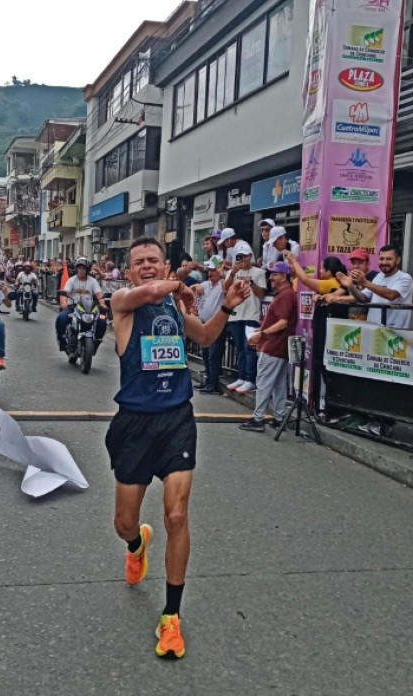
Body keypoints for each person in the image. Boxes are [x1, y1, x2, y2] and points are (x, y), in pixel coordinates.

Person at [105, 236, 250, 659]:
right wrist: (181, 280)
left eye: (154, 260)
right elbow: (152, 292)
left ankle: (171, 618)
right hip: (133, 423)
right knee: (124, 523)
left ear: (163, 263)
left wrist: (225, 306)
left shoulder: (173, 304)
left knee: (176, 513)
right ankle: (136, 546)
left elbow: (204, 338)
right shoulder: (123, 301)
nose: (147, 266)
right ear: (129, 271)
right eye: (139, 262)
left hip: (175, 419)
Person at [239, 260, 298, 432]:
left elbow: (282, 323)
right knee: (279, 385)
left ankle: (258, 419)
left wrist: (262, 334)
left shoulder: (286, 295)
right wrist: (262, 329)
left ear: (284, 276)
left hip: (273, 346)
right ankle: (279, 417)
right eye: (271, 274)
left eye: (275, 274)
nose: (271, 277)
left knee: (264, 382)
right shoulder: (286, 293)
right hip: (278, 346)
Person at [222, 241, 267, 395]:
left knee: (249, 348)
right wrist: (233, 273)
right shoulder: (231, 272)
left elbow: (261, 293)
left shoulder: (259, 272)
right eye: (239, 256)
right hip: (235, 315)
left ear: (250, 256)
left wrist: (251, 282)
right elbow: (225, 289)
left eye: (245, 256)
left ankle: (250, 379)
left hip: (251, 314)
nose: (243, 259)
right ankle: (241, 376)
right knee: (239, 348)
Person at [337, 245, 413, 329]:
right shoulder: (379, 277)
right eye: (381, 259)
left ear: (398, 260)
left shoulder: (405, 278)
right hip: (374, 330)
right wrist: (351, 287)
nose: (384, 262)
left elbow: (391, 295)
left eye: (389, 259)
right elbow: (363, 298)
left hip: (394, 332)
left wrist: (365, 282)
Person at [56, 257, 107, 352]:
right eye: (79, 268)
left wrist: (102, 304)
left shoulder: (93, 281)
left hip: (89, 310)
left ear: (87, 270)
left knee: (102, 321)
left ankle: (96, 342)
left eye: (83, 268)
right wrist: (64, 302)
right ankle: (62, 340)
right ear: (76, 269)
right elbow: (65, 293)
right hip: (73, 308)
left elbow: (99, 294)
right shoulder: (72, 280)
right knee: (61, 318)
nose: (81, 270)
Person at [195, 258, 226, 394]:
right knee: (206, 354)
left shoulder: (222, 285)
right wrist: (196, 286)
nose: (210, 273)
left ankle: (213, 384)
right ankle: (208, 381)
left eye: (213, 270)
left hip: (216, 325)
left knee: (214, 355)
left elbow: (227, 288)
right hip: (203, 324)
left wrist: (222, 273)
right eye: (209, 270)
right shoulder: (206, 284)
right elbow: (192, 288)